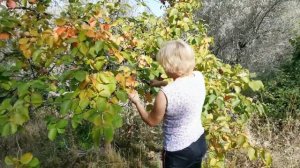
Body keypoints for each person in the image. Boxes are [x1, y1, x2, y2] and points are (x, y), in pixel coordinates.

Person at [128, 39, 207, 168]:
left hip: (178, 151)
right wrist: (159, 83)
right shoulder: (198, 77)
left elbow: (151, 121)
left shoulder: (165, 94)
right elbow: (182, 86)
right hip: (198, 142)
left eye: (164, 64)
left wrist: (136, 101)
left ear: (172, 66)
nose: (163, 67)